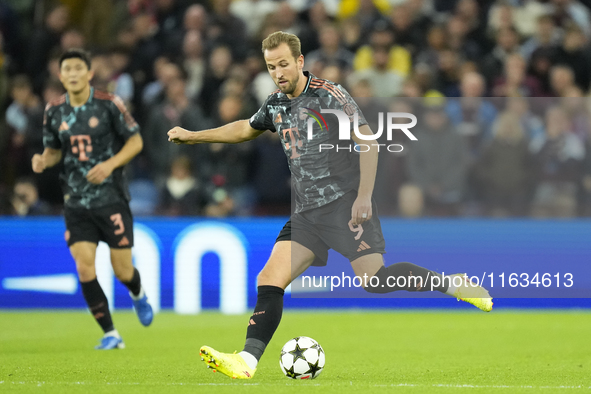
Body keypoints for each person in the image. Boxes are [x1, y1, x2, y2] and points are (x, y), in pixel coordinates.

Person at [167, 31, 493, 380]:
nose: (278, 73)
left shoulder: (329, 95)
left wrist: (364, 197)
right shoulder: (275, 103)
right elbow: (245, 129)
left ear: (300, 61)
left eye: (283, 65)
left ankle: (452, 284)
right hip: (307, 212)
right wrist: (193, 136)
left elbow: (368, 142)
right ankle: (247, 361)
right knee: (270, 277)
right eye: (270, 67)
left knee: (375, 280)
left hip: (344, 205)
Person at [31, 49, 153, 350]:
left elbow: (136, 140)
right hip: (75, 201)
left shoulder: (109, 104)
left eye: (77, 68)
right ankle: (111, 333)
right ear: (60, 76)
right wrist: (43, 160)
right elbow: (55, 150)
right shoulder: (54, 110)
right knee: (84, 267)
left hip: (111, 199)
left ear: (89, 74)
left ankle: (138, 294)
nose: (72, 73)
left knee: (123, 271)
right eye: (67, 69)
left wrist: (110, 165)